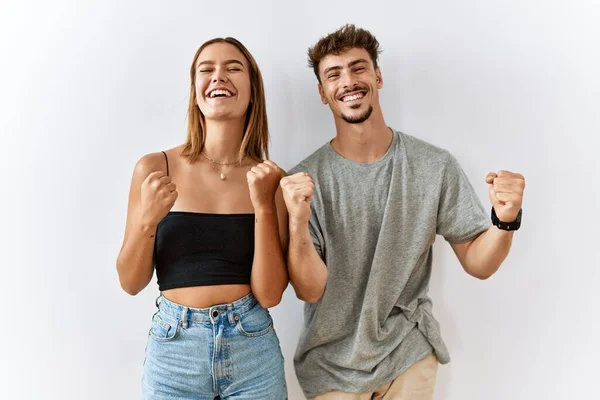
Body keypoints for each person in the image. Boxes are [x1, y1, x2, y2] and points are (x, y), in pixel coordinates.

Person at [280, 24, 526, 400]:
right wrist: (296, 222)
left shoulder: (434, 165)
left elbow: (479, 263)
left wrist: (505, 219)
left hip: (408, 352)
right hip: (330, 365)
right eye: (334, 74)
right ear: (322, 93)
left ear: (378, 77)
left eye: (358, 68)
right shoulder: (305, 181)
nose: (348, 80)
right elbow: (309, 289)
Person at [116, 37, 289, 400]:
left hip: (252, 350)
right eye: (206, 70)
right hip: (174, 353)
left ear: (252, 91)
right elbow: (131, 283)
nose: (218, 76)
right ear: (196, 92)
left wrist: (265, 205)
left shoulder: (271, 178)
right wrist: (148, 221)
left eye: (233, 68)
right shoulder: (154, 168)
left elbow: (270, 294)